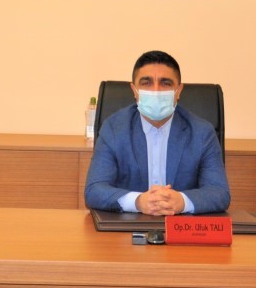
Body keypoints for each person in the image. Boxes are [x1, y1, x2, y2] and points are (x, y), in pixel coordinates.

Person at [85, 51, 230, 215]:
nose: (156, 91)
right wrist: (138, 201)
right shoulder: (114, 129)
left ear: (178, 91)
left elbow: (219, 193)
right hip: (129, 226)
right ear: (134, 90)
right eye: (146, 83)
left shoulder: (202, 133)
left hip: (180, 226)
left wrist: (182, 201)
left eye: (165, 83)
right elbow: (94, 190)